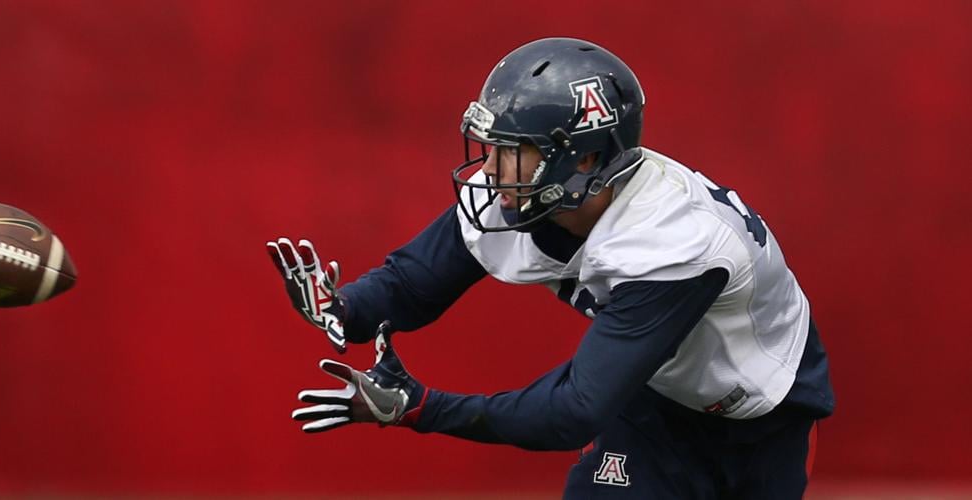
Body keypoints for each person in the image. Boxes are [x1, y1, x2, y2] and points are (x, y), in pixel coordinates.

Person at [267, 37, 834, 499]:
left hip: (762, 413)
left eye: (513, 150)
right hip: (653, 394)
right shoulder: (532, 194)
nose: (491, 169)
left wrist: (423, 408)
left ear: (584, 158)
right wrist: (344, 308)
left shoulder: (674, 241)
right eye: (492, 146)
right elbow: (413, 284)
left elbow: (573, 411)